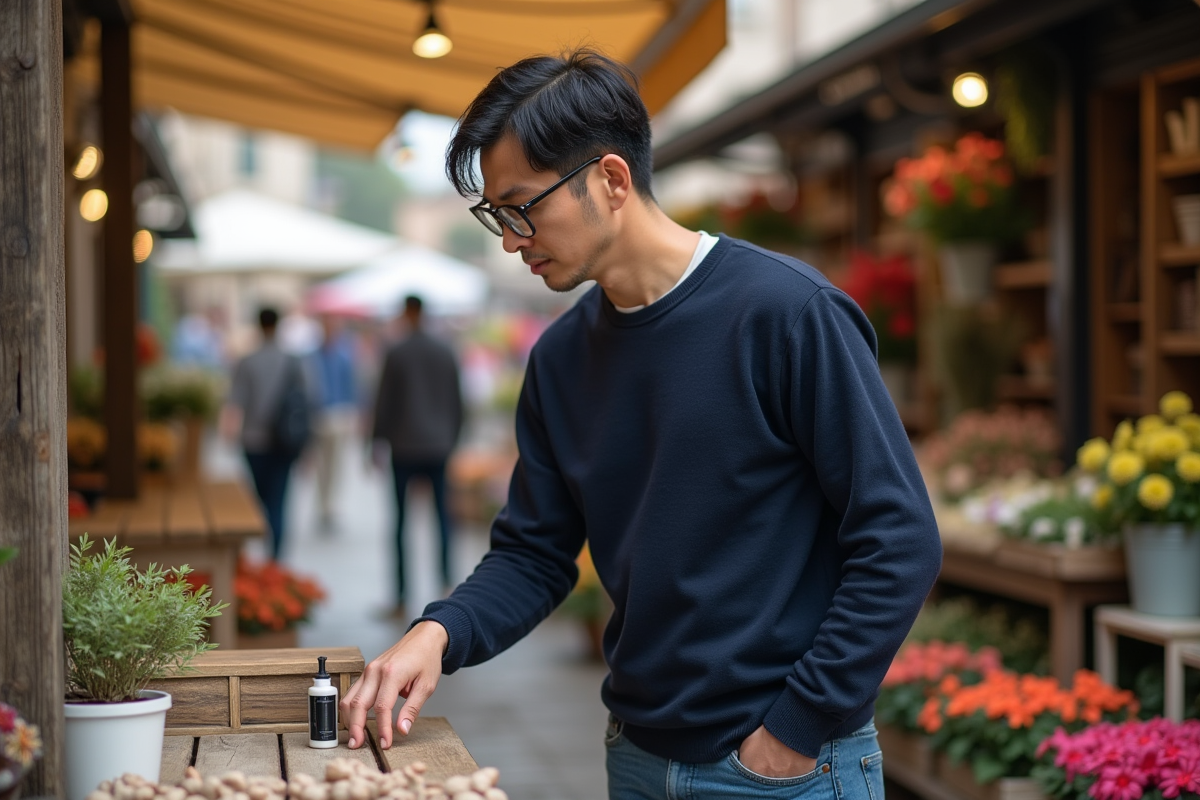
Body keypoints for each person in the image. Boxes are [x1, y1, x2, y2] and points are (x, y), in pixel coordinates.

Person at [342, 49, 942, 800]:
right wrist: (438, 632)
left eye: (524, 206)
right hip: (635, 758)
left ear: (612, 179)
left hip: (785, 770)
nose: (510, 238)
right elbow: (535, 553)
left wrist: (796, 728)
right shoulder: (561, 357)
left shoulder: (787, 314)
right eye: (497, 213)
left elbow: (899, 537)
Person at [370, 296, 464, 616]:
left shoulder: (396, 352)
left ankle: (399, 596)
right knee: (443, 519)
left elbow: (384, 401)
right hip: (438, 445)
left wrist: (376, 442)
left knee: (399, 523)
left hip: (405, 446)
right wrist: (453, 439)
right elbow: (458, 401)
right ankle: (447, 584)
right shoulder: (444, 350)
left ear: (408, 312)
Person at [220, 307, 308, 561]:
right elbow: (306, 401)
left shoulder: (247, 361)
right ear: (278, 325)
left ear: (259, 325)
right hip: (284, 441)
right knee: (279, 500)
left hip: (254, 440)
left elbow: (236, 401)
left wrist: (228, 433)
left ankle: (263, 553)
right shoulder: (293, 360)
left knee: (260, 499)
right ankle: (276, 559)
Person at [309, 314, 360, 533]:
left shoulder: (344, 355)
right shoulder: (312, 356)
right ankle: (321, 505)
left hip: (339, 412)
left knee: (337, 464)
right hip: (319, 414)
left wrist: (355, 414)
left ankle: (331, 506)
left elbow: (353, 386)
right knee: (321, 465)